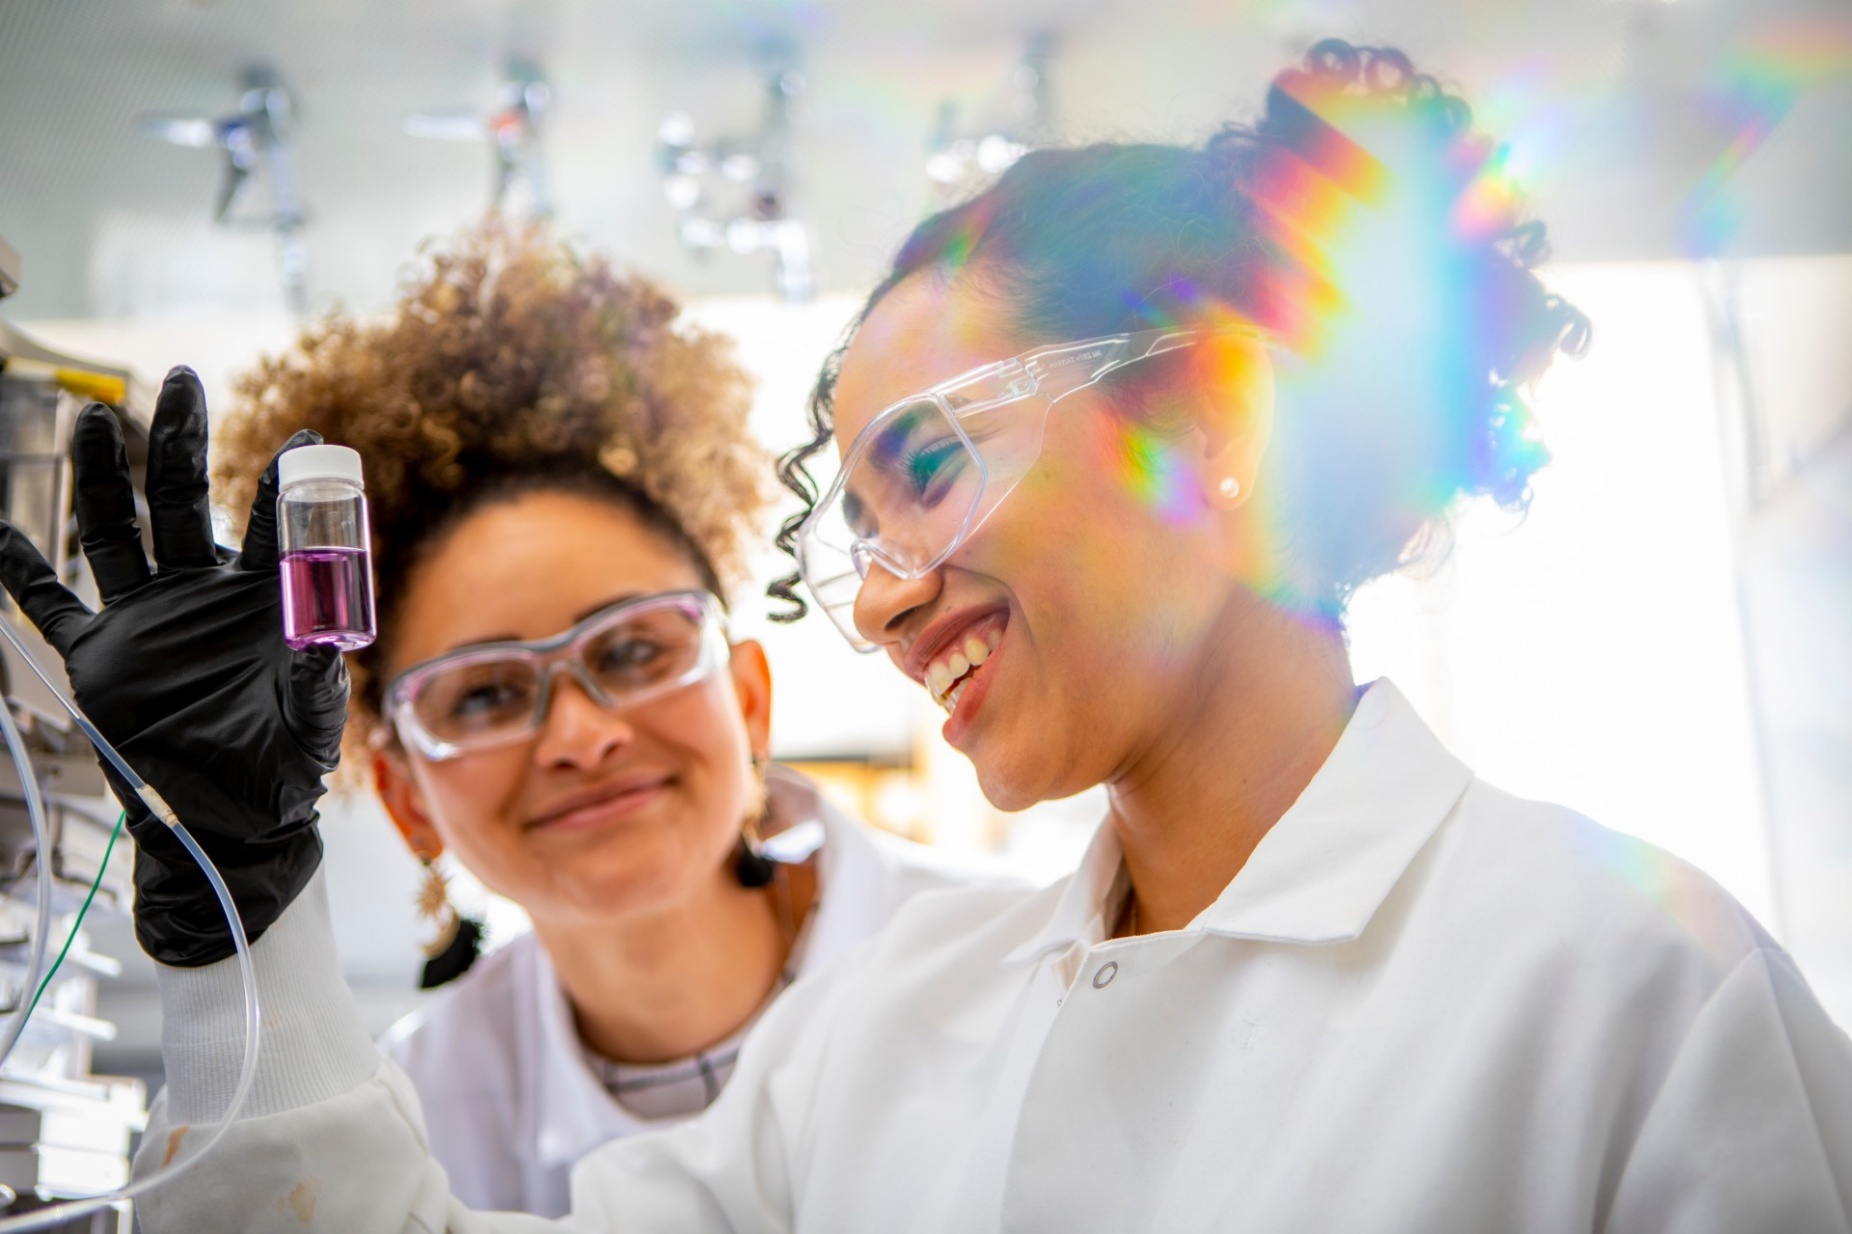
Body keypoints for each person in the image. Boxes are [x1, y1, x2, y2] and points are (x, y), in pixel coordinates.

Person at [2, 40, 1847, 1234]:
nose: (883, 600)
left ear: (1213, 416)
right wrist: (240, 904)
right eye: (862, 532)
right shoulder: (891, 1035)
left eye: (937, 467)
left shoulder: (1626, 992)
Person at [223, 224, 1013, 1217]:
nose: (580, 737)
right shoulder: (413, 1131)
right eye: (485, 693)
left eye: (634, 651)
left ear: (749, 701)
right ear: (405, 797)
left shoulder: (1021, 970)